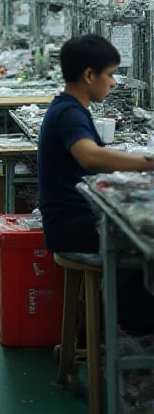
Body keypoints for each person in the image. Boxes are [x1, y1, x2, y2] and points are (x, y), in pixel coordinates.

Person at [38, 35, 154, 253]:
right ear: (89, 75)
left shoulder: (68, 107)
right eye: (109, 74)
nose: (112, 82)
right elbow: (90, 156)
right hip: (73, 227)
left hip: (72, 219)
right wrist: (147, 163)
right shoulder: (69, 114)